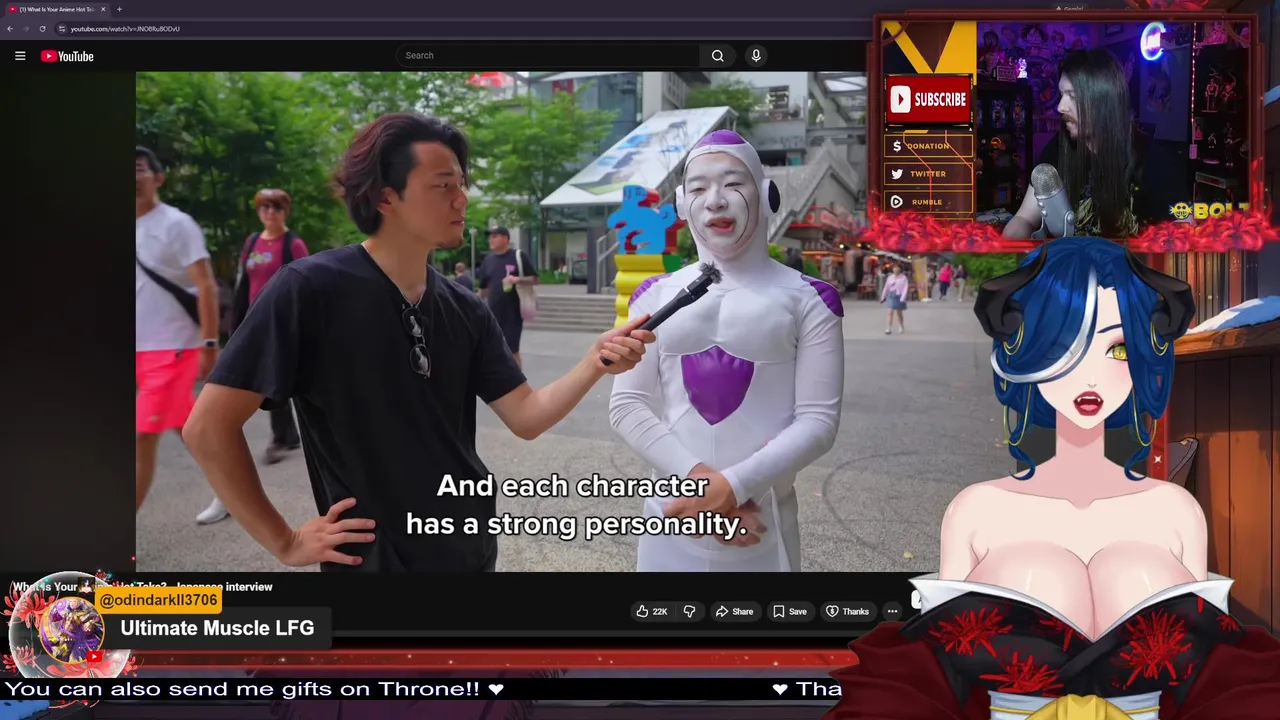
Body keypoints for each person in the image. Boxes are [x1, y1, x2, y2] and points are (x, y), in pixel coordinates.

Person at [825, 238, 1280, 719]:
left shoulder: (1176, 511)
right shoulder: (975, 511)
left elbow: (1214, 677)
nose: (1091, 377)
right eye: (1065, 347)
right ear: (1027, 351)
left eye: (1117, 348)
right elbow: (935, 674)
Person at [182, 113, 655, 573]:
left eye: (461, 184)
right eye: (443, 185)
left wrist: (594, 361)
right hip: (374, 560)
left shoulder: (465, 307)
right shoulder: (309, 290)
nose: (461, 199)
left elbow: (526, 416)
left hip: (470, 549)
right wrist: (284, 541)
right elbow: (208, 428)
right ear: (385, 197)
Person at [609, 130, 845, 572]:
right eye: (699, 188)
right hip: (673, 510)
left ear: (767, 194)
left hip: (763, 516)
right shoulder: (654, 294)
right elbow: (627, 404)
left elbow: (818, 421)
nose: (715, 201)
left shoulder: (811, 298)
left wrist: (736, 486)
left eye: (733, 183)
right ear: (682, 205)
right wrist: (704, 486)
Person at [1003, 49, 1173, 240]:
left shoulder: (1154, 160)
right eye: (1062, 94)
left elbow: (1181, 231)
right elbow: (1025, 218)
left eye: (1072, 96)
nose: (1060, 107)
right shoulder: (1058, 147)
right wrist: (1007, 247)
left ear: (1103, 101)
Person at [134, 146, 220, 515]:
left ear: (158, 178)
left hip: (174, 346)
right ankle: (230, 487)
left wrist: (210, 343)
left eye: (138, 169)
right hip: (139, 349)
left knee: (141, 436)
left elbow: (206, 285)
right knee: (189, 428)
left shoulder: (176, 224)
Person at [477, 227, 537, 367]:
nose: (491, 240)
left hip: (513, 314)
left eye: (495, 236)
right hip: (493, 314)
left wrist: (517, 280)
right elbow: (483, 289)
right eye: (490, 237)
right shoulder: (488, 260)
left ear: (505, 239)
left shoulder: (518, 256)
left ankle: (518, 380)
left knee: (511, 351)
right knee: (493, 350)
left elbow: (535, 279)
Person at [880, 263, 909, 334]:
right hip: (891, 295)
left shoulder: (904, 278)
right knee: (890, 312)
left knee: (899, 313)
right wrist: (883, 297)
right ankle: (888, 328)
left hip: (899, 296)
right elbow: (886, 287)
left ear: (900, 269)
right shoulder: (890, 277)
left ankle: (901, 326)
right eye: (894, 268)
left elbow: (905, 288)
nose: (896, 269)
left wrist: (903, 298)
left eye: (897, 267)